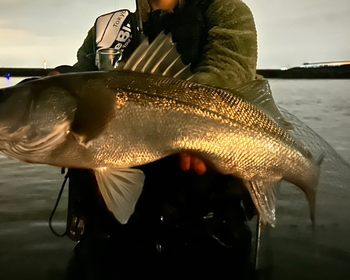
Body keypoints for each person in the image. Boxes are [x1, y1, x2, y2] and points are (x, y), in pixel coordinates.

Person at [54, 0, 260, 278]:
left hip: (206, 232)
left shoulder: (225, 11)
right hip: (110, 234)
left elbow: (228, 71)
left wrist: (193, 127)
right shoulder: (108, 29)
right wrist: (53, 89)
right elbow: (83, 78)